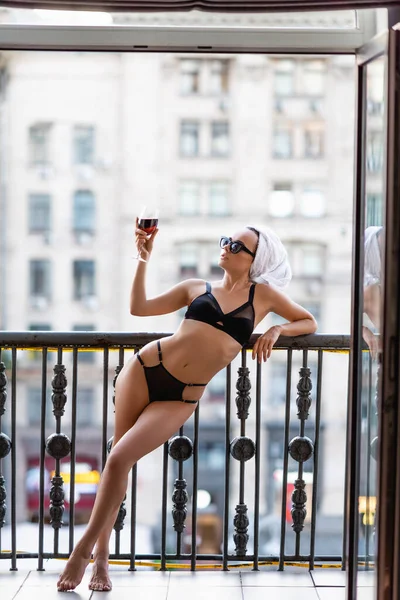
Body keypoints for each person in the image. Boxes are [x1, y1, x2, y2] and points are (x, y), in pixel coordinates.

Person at [57, 223, 317, 592]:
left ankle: (82, 549)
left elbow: (308, 321)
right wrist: (143, 256)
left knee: (119, 459)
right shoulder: (198, 287)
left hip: (182, 395)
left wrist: (275, 331)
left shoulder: (264, 297)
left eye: (237, 246)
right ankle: (99, 560)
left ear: (255, 260)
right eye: (226, 240)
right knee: (117, 459)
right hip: (144, 369)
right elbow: (139, 308)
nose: (226, 247)